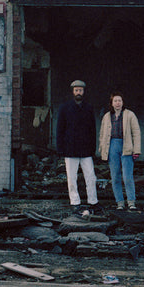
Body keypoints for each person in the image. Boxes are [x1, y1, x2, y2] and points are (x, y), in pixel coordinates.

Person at [55, 79, 99, 214]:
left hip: (85, 149)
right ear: (72, 92)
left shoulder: (89, 108)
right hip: (70, 148)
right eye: (76, 90)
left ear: (84, 92)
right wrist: (60, 148)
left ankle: (93, 201)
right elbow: (60, 130)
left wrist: (93, 148)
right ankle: (75, 202)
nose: (78, 92)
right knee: (71, 177)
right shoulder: (65, 108)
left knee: (91, 176)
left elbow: (93, 129)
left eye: (81, 90)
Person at [98, 90, 140, 210]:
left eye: (119, 101)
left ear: (123, 102)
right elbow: (102, 134)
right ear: (111, 103)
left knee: (127, 176)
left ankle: (131, 202)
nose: (117, 103)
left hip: (126, 146)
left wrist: (136, 150)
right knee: (115, 176)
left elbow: (136, 133)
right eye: (115, 101)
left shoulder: (130, 115)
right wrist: (102, 150)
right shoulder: (107, 116)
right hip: (112, 146)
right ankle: (120, 202)